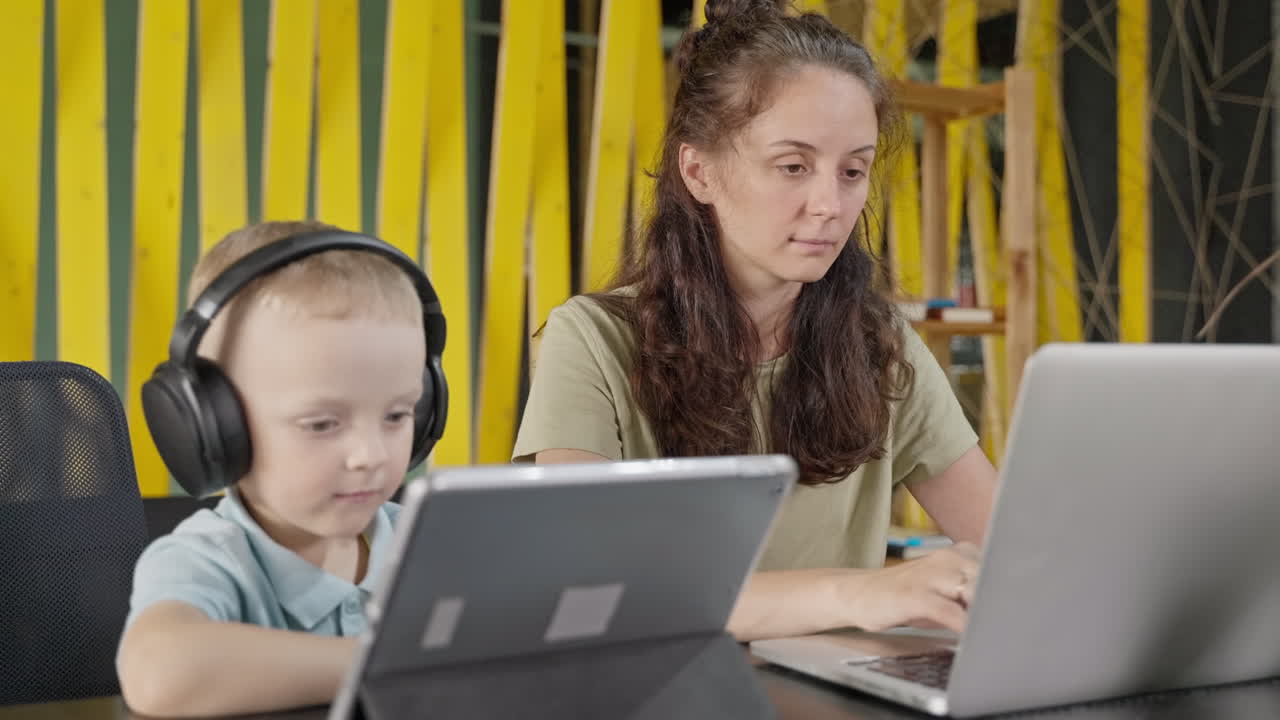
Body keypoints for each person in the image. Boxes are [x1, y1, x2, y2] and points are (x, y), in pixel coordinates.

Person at [513, 0, 997, 642]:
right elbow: (596, 593)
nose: (831, 204)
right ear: (699, 171)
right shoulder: (594, 340)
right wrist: (860, 592)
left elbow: (1013, 552)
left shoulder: (880, 345)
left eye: (853, 171)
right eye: (793, 166)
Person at [116, 221, 442, 716]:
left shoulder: (422, 543)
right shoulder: (207, 560)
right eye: (322, 423)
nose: (370, 455)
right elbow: (159, 673)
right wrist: (387, 660)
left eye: (396, 415)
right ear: (216, 428)